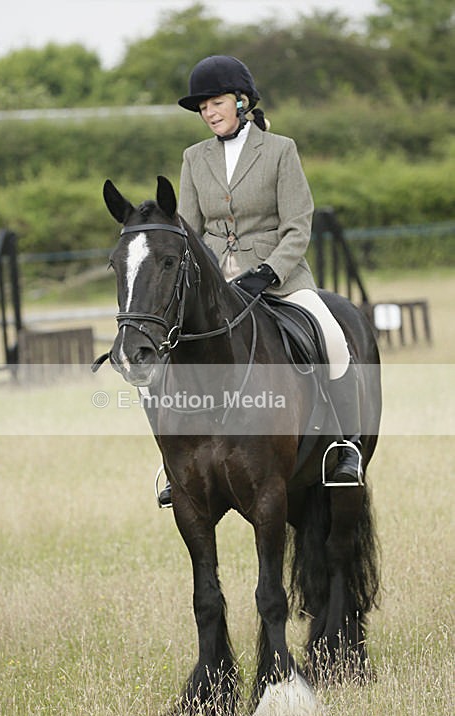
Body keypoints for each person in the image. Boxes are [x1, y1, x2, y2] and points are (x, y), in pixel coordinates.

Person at [157, 55, 362, 507]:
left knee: (332, 339)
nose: (209, 113)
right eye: (203, 107)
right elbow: (187, 230)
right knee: (172, 350)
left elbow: (297, 223)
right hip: (215, 284)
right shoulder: (194, 158)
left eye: (216, 102)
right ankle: (177, 462)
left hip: (279, 277)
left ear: (241, 101)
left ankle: (346, 446)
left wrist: (268, 271)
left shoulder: (280, 150)